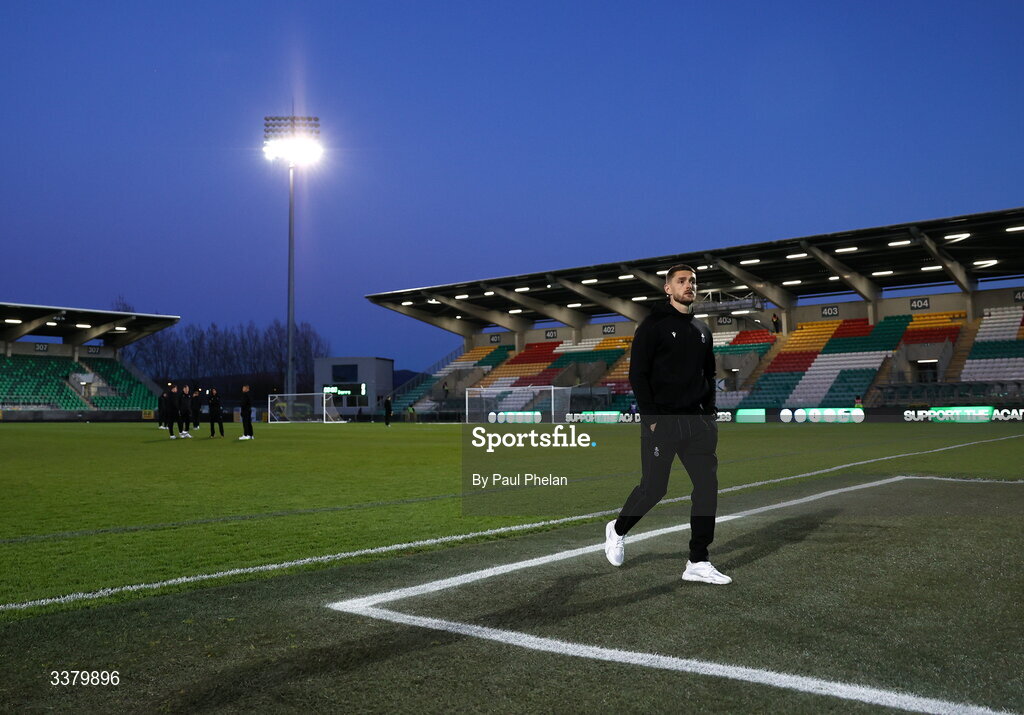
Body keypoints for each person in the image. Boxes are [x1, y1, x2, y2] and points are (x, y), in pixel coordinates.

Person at [604, 263, 730, 585]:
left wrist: (710, 412)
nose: (689, 285)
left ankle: (698, 560)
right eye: (682, 281)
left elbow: (709, 375)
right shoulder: (653, 325)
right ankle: (617, 529)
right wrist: (653, 420)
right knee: (654, 488)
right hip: (663, 422)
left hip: (698, 424)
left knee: (707, 488)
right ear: (668, 288)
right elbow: (638, 375)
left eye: (693, 281)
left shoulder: (703, 331)